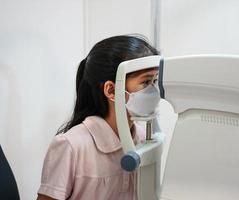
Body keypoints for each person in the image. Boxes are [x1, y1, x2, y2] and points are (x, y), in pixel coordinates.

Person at [37, 35, 160, 200]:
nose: (153, 90)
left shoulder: (144, 139)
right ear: (111, 90)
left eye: (155, 81)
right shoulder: (71, 146)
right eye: (145, 82)